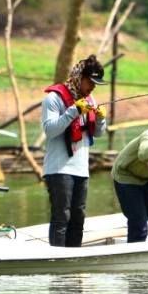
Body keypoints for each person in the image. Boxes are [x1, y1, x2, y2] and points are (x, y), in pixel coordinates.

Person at [41, 55, 108, 247]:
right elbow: (50, 130)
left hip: (81, 169)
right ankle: (58, 260)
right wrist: (73, 111)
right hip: (59, 169)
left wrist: (101, 118)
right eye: (91, 82)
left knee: (78, 219)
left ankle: (73, 259)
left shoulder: (90, 99)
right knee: (62, 216)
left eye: (96, 84)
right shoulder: (53, 99)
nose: (93, 87)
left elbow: (97, 133)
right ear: (79, 77)